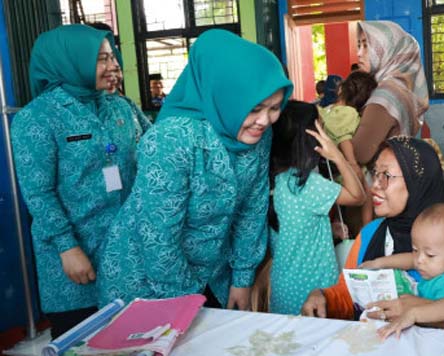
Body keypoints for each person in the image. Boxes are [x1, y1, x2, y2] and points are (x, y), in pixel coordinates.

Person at [96, 29, 293, 310]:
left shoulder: (258, 135)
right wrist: (189, 303)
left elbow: (252, 207)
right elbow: (158, 237)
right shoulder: (172, 139)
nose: (264, 120)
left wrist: (242, 277)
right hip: (145, 282)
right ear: (224, 97)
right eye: (255, 108)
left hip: (213, 275)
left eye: (275, 108)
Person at [11, 24, 150, 338]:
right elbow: (39, 193)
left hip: (128, 248)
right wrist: (67, 247)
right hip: (76, 254)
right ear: (70, 61)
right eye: (102, 59)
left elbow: (155, 150)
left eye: (112, 56)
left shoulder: (121, 107)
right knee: (81, 337)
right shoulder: (37, 118)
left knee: (132, 336)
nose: (113, 65)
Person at [301, 136, 444, 334]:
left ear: (418, 182)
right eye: (375, 174)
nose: (374, 186)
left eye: (386, 176)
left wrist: (430, 313)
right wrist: (326, 298)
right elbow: (350, 294)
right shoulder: (371, 233)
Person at [268, 101, 365, 315]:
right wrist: (337, 156)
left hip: (284, 288)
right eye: (322, 128)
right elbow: (358, 196)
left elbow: (291, 230)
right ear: (312, 137)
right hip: (312, 290)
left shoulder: (280, 180)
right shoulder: (308, 184)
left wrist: (327, 230)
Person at [360, 204, 444, 339]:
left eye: (429, 255)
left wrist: (412, 314)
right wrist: (379, 263)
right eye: (415, 250)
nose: (419, 260)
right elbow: (411, 260)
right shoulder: (442, 263)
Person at [351, 21, 429, 166]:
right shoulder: (403, 90)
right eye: (359, 45)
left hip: (380, 182)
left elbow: (359, 154)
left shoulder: (385, 96)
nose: (359, 53)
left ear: (389, 50)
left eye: (366, 46)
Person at [320, 71, 378, 229]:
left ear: (341, 90)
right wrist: (353, 164)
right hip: (343, 168)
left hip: (329, 169)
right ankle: (367, 229)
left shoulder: (326, 110)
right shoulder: (349, 113)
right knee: (367, 189)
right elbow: (344, 139)